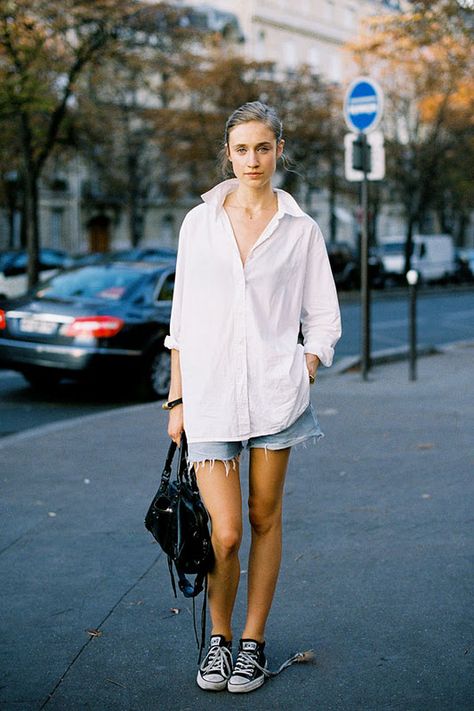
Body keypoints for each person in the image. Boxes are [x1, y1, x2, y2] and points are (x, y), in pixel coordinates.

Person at [164, 101, 341, 694]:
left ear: (278, 150)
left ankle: (252, 644)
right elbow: (181, 317)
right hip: (210, 395)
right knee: (228, 530)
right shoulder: (200, 222)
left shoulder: (301, 229)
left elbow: (324, 317)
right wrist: (176, 400)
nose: (252, 160)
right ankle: (217, 640)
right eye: (241, 149)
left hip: (275, 397)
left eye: (262, 147)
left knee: (265, 518)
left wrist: (305, 366)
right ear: (228, 153)